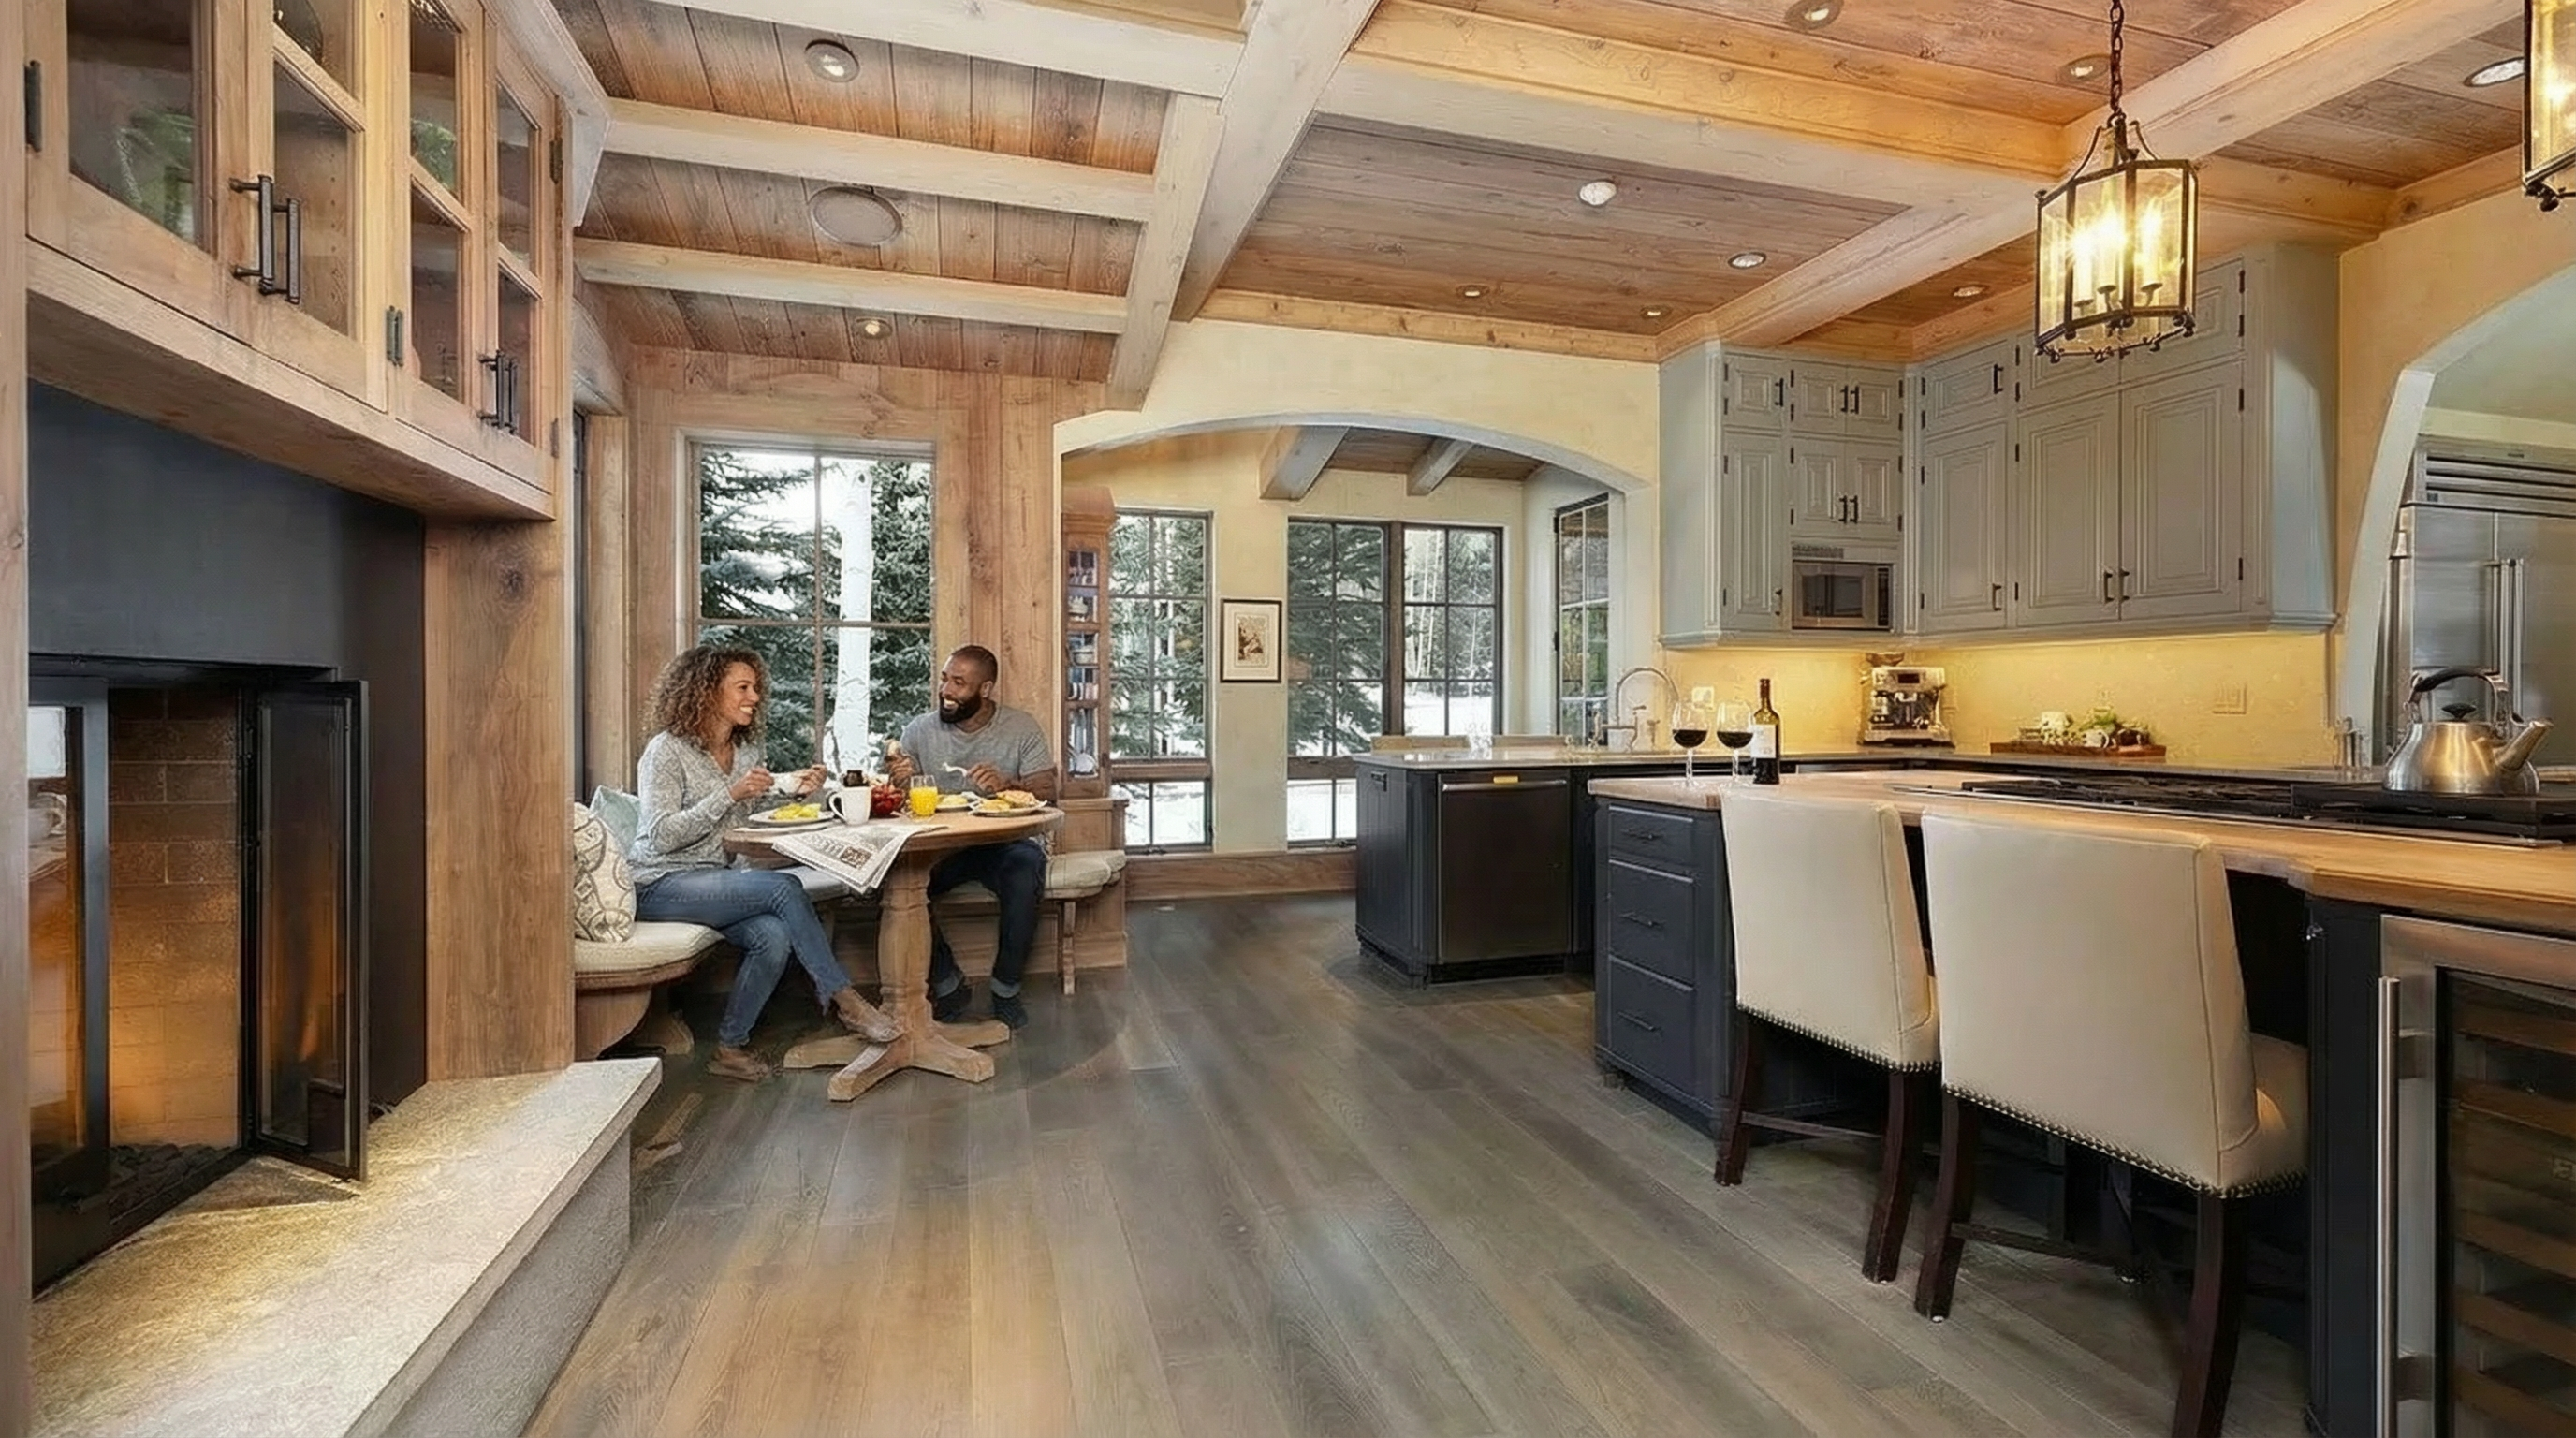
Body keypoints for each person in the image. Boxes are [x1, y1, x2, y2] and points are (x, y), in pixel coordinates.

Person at [628, 644, 902, 1082]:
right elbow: (659, 835)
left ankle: (730, 1047)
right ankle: (844, 999)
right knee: (783, 889)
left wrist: (798, 792)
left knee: (772, 937)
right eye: (742, 687)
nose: (754, 696)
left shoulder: (744, 751)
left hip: (717, 881)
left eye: (755, 687)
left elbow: (746, 820)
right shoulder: (666, 751)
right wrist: (730, 794)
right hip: (659, 883)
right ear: (706, 691)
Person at [886, 645, 1055, 1030]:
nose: (945, 689)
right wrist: (899, 782)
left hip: (1004, 844)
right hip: (940, 846)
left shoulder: (1020, 727)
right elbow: (902, 797)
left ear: (986, 689)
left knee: (1026, 868)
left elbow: (1049, 789)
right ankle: (947, 985)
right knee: (896, 881)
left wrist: (1007, 783)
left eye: (959, 683)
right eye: (945, 678)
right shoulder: (918, 731)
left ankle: (1006, 988)